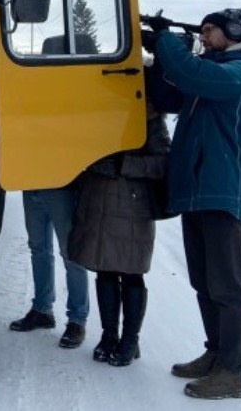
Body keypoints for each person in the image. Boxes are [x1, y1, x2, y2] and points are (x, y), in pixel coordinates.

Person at [144, 4, 241, 400]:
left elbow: (193, 75)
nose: (203, 37)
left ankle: (233, 373)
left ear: (235, 32)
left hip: (221, 189)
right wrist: (155, 55)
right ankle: (216, 353)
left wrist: (168, 42)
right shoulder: (215, 67)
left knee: (228, 286)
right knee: (204, 282)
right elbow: (170, 94)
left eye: (210, 31)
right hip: (198, 188)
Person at [68, 103, 171, 366]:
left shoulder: (149, 116)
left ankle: (130, 339)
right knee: (105, 269)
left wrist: (126, 164)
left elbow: (163, 162)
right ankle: (109, 336)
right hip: (98, 202)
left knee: (131, 272)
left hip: (132, 207)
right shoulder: (95, 111)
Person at [9, 183, 90, 349]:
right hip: (31, 184)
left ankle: (77, 320)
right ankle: (42, 310)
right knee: (38, 249)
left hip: (61, 186)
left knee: (72, 254)